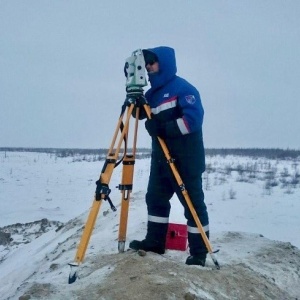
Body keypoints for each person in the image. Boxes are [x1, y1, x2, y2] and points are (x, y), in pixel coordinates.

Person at [129, 46, 209, 266]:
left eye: (152, 63)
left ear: (163, 63)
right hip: (161, 160)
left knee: (193, 205)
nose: (148, 67)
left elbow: (192, 121)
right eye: (146, 64)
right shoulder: (152, 95)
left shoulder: (183, 89)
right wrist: (135, 101)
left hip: (186, 160)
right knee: (155, 199)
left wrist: (163, 129)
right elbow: (141, 115)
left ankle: (199, 253)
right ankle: (154, 242)